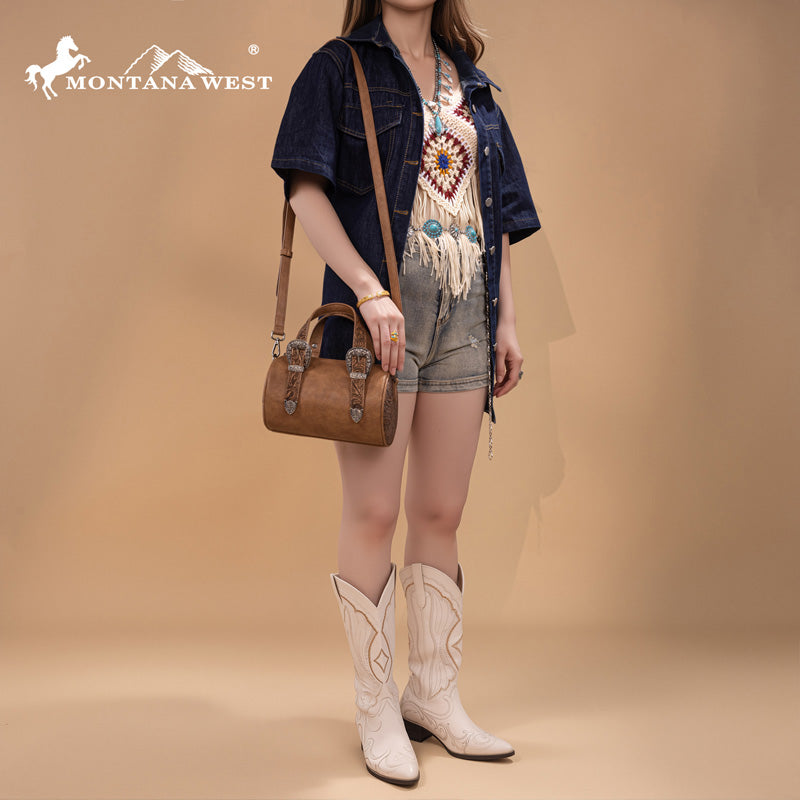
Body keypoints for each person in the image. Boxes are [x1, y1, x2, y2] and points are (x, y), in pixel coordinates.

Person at [270, 0, 541, 786]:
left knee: (441, 512)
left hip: (466, 312)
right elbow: (304, 188)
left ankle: (433, 695)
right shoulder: (339, 68)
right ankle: (375, 707)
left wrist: (506, 321)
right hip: (377, 323)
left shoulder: (474, 86)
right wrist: (368, 290)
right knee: (375, 512)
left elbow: (499, 214)